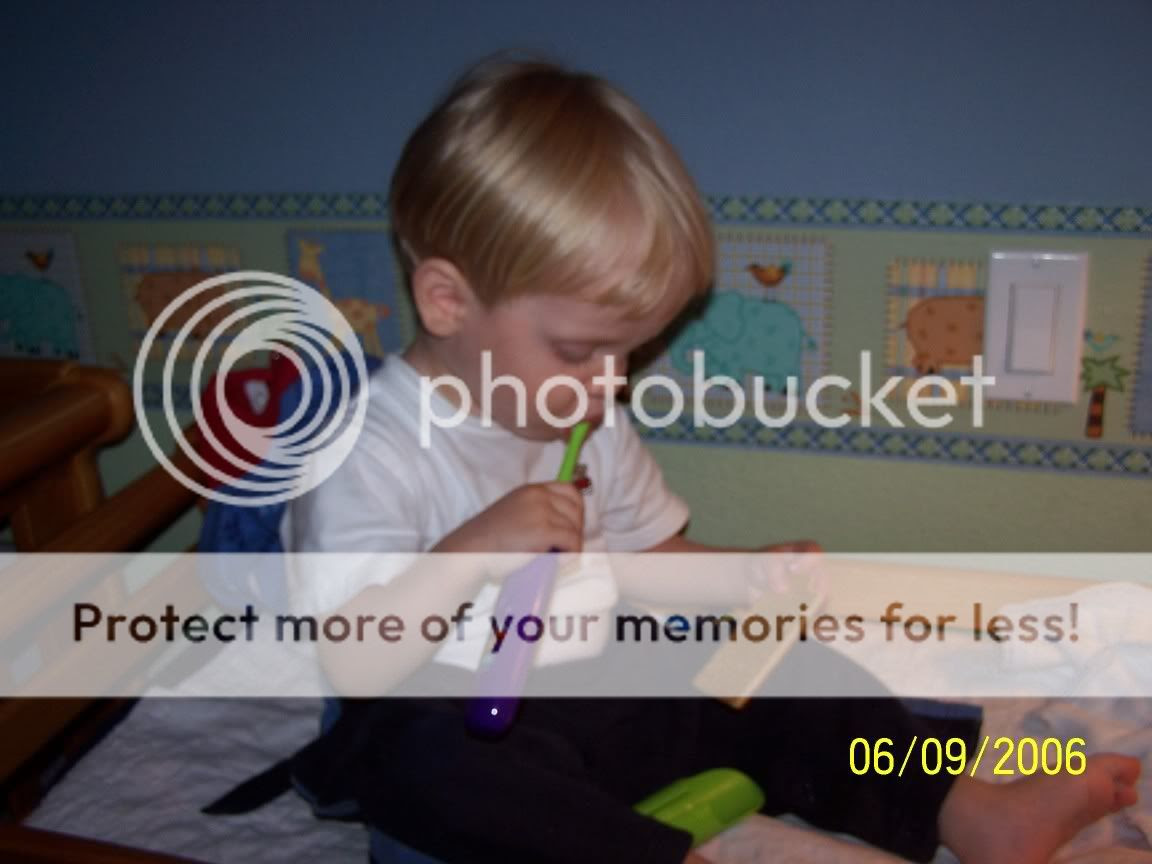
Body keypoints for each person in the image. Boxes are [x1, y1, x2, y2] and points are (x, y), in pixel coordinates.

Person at [282, 58, 1140, 864]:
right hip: (462, 723)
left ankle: (966, 807)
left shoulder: (585, 414)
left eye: (628, 352)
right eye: (580, 350)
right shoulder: (367, 447)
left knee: (779, 671)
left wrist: (745, 576)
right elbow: (355, 659)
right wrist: (474, 550)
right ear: (446, 300)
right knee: (417, 758)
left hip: (599, 697)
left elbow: (645, 560)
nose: (610, 382)